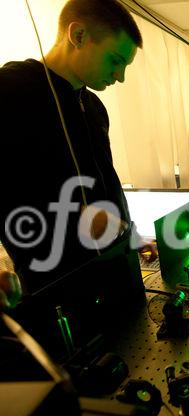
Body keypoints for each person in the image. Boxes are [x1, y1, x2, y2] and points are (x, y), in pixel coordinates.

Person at [0, 0, 155, 299]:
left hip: (117, 277)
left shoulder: (94, 106)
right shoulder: (10, 90)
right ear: (79, 35)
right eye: (114, 60)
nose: (120, 76)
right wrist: (75, 216)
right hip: (56, 290)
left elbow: (105, 188)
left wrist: (130, 236)